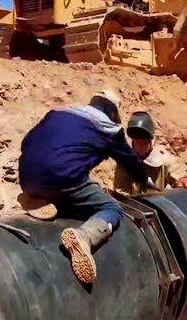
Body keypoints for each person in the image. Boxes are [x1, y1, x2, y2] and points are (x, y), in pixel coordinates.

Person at [16, 89, 159, 284]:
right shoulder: (108, 129)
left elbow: (27, 142)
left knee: (71, 185)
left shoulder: (58, 114)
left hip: (26, 176)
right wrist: (143, 180)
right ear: (113, 113)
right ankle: (84, 237)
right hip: (62, 177)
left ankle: (39, 197)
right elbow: (130, 161)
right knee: (111, 208)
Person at [113, 111, 187, 195]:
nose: (140, 146)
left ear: (149, 140)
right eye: (137, 142)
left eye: (143, 142)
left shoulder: (163, 159)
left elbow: (177, 175)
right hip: (133, 202)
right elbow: (120, 191)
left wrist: (182, 180)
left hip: (157, 201)